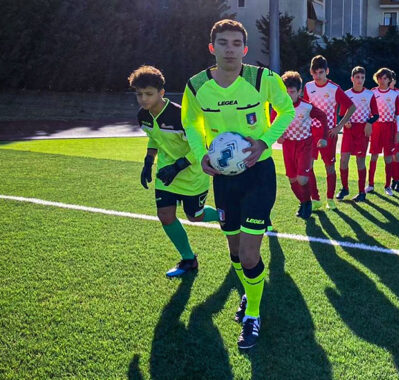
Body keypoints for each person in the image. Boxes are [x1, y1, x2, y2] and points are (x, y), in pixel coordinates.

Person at [181, 19, 295, 349]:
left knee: (248, 254)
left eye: (235, 44)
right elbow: (190, 121)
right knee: (234, 249)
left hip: (258, 175)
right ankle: (248, 293)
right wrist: (202, 153)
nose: (229, 49)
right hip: (224, 181)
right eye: (223, 43)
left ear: (244, 50)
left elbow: (285, 111)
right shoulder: (197, 85)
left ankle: (253, 315)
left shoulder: (262, 78)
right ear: (212, 47)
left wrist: (263, 142)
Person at [129, 65, 219, 278]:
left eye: (149, 94)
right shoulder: (143, 116)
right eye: (139, 94)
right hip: (166, 175)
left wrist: (178, 166)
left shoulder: (180, 116)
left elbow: (201, 145)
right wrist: (148, 161)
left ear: (161, 93)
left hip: (192, 174)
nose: (143, 99)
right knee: (165, 215)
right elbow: (154, 137)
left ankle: (225, 214)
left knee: (194, 216)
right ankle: (189, 259)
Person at [303, 55, 357, 210]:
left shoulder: (334, 88)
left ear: (327, 71)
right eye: (315, 73)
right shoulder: (307, 87)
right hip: (310, 132)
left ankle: (330, 199)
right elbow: (307, 109)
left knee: (329, 167)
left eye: (321, 72)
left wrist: (339, 126)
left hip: (329, 134)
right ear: (311, 73)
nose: (318, 76)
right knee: (308, 166)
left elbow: (351, 107)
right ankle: (315, 199)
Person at [276, 71, 328, 219]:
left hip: (305, 145)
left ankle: (307, 204)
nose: (288, 95)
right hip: (288, 146)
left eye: (292, 92)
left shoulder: (307, 107)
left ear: (299, 91)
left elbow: (323, 117)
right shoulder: (280, 107)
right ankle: (304, 202)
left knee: (302, 179)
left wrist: (323, 137)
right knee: (292, 179)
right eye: (286, 92)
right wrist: (278, 135)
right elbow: (273, 122)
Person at [340, 66, 379, 202]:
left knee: (360, 161)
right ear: (352, 79)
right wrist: (346, 121)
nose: (360, 80)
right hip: (349, 131)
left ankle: (362, 192)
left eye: (362, 77)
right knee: (343, 159)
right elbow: (341, 114)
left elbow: (376, 115)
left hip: (362, 131)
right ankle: (344, 188)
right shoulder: (346, 94)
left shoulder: (369, 95)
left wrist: (369, 123)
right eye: (357, 77)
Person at [367, 68, 399, 195]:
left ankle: (388, 186)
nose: (382, 80)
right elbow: (368, 110)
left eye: (385, 78)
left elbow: (398, 115)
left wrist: (398, 132)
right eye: (380, 78)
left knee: (388, 157)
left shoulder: (394, 95)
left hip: (389, 128)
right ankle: (370, 184)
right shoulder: (372, 92)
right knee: (373, 156)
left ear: (389, 80)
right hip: (376, 127)